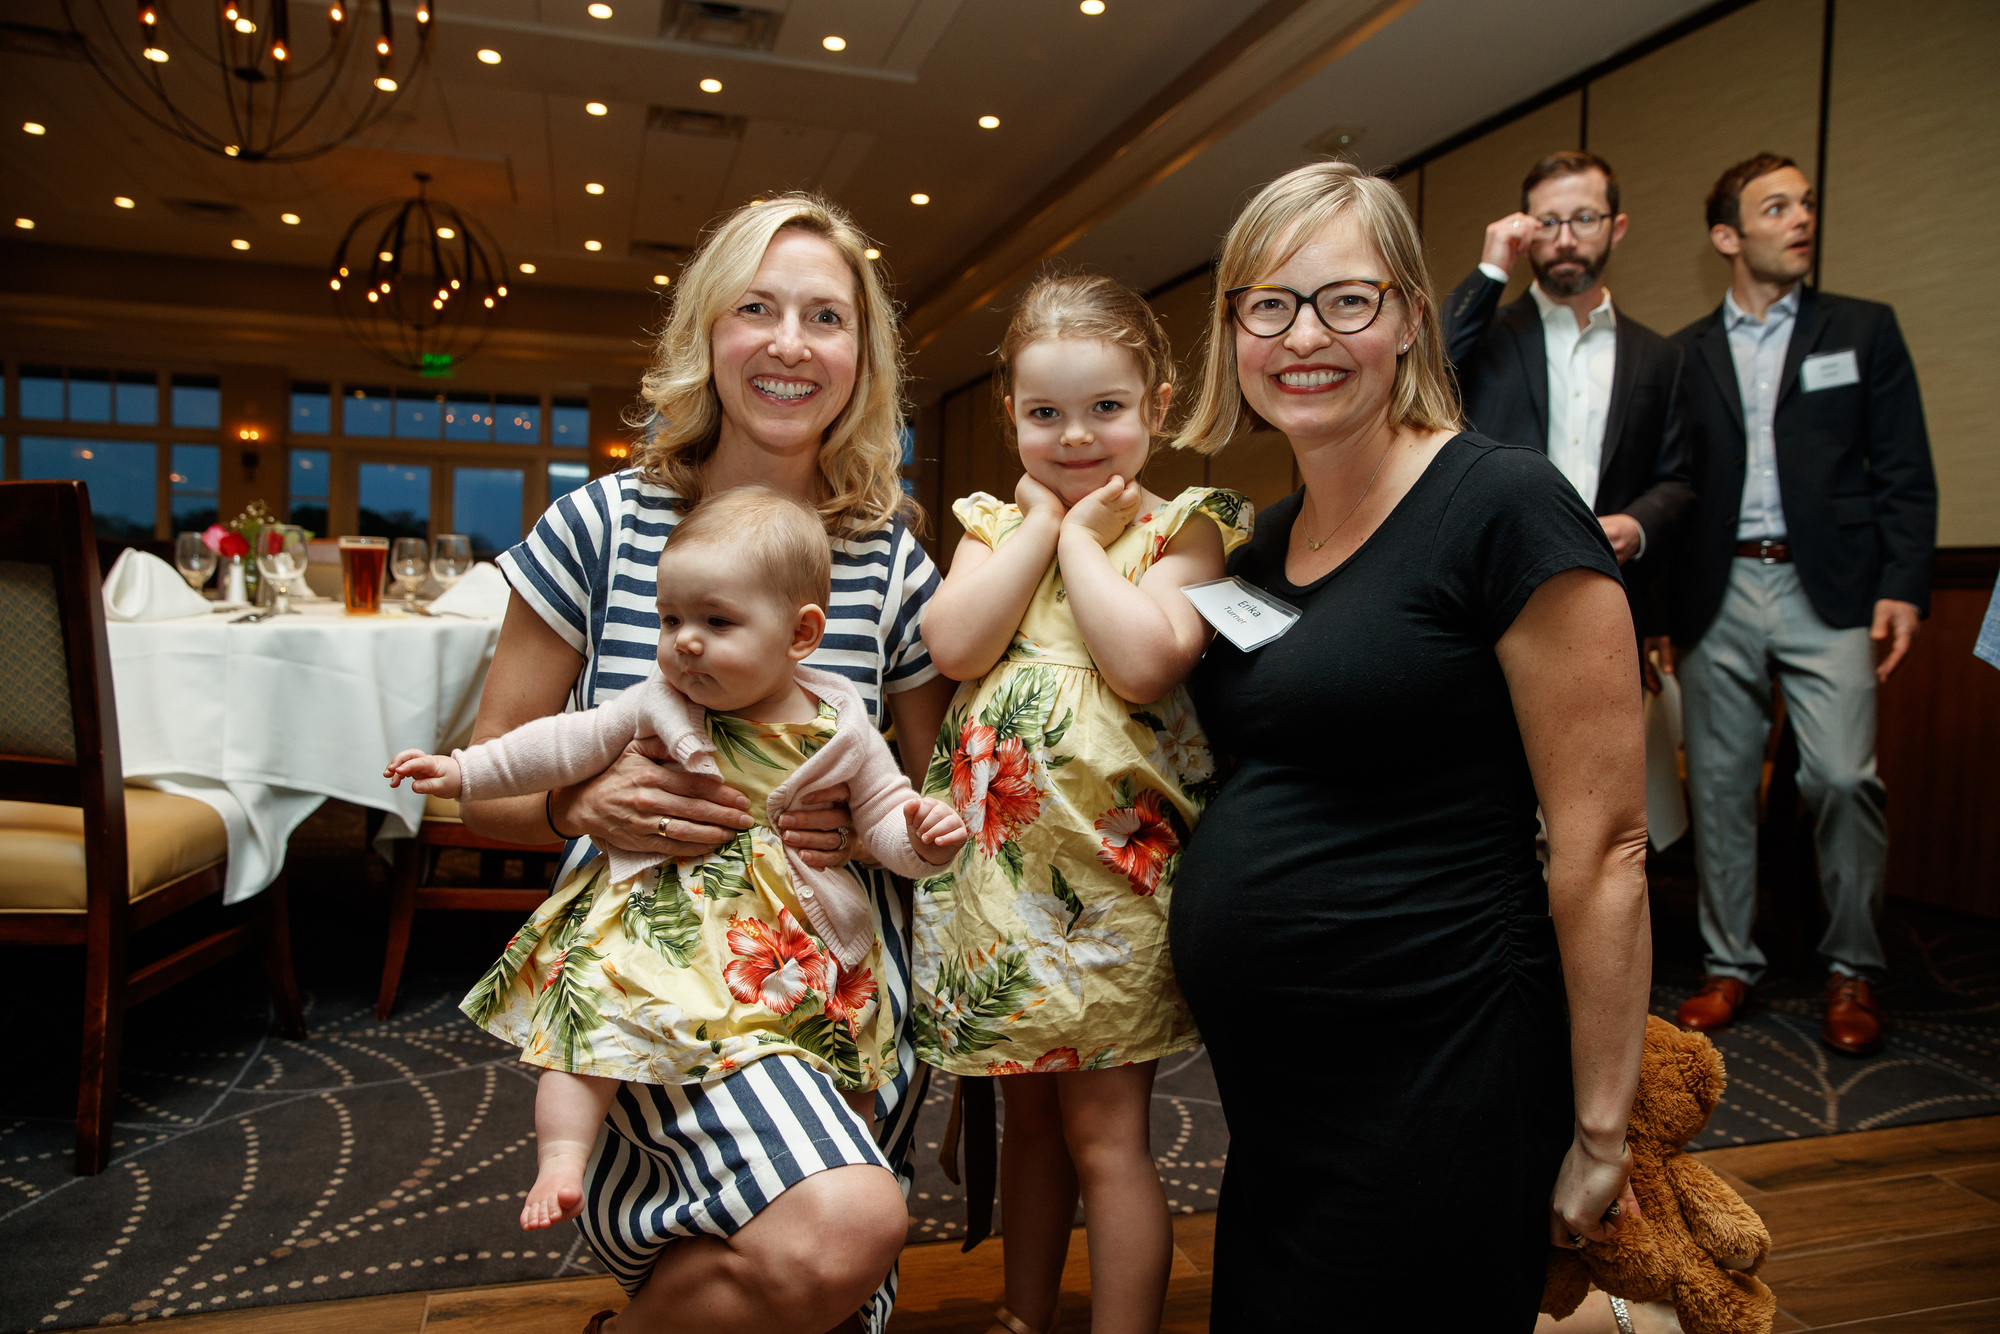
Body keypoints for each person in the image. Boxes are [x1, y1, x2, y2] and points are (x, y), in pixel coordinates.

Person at [455, 194, 958, 1334]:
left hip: (839, 980)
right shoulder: (599, 527)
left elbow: (936, 804)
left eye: (825, 317)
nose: (790, 344)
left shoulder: (890, 562)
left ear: (861, 356)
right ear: (706, 332)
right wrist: (577, 803)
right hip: (654, 980)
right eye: (756, 309)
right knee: (836, 1231)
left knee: (817, 1294)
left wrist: (877, 824)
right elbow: (481, 784)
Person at [1166, 159, 1651, 1329]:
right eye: (1268, 304)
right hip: (1275, 1102)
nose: (1303, 335)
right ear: (1232, 330)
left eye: (1345, 299)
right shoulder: (1259, 543)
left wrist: (1600, 1130)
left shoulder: (1504, 505)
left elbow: (1604, 848)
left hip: (1441, 1067)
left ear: (1409, 320)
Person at [384, 488, 968, 1237]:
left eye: (716, 623)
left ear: (801, 634)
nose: (685, 642)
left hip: (789, 939)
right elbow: (557, 744)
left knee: (842, 1053)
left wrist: (919, 841)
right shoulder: (657, 701)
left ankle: (836, 1170)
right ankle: (562, 1156)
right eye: (670, 620)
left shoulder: (843, 724)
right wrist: (463, 770)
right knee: (593, 1033)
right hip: (663, 917)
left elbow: (885, 814)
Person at [915, 274, 1251, 1334]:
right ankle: (1022, 1316)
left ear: (1156, 405)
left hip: (1112, 888)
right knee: (1026, 1123)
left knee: (1106, 1133)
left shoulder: (1183, 529)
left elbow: (1144, 660)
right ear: (1010, 413)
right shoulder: (990, 524)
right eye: (1044, 412)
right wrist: (1035, 530)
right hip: (1001, 886)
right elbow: (954, 644)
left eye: (1105, 407)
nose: (1074, 436)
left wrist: (1073, 542)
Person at [1667, 154, 1938, 1056]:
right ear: (1727, 236)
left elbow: (1904, 467)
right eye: (1776, 206)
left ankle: (1852, 968)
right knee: (1719, 787)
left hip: (1832, 588)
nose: (1800, 219)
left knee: (1843, 779)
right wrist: (1662, 611)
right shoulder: (1684, 353)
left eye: (1806, 204)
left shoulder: (1861, 329)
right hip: (1718, 587)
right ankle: (1728, 965)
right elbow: (1674, 486)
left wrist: (1903, 585)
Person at [1442, 149, 1692, 688]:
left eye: (1583, 219)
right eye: (1547, 223)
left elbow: (1677, 478)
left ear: (1616, 228)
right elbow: (1426, 370)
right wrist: (1491, 268)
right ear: (1525, 232)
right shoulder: (1487, 337)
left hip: (1609, 596)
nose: (1564, 239)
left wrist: (1638, 525)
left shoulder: (1659, 356)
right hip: (1487, 591)